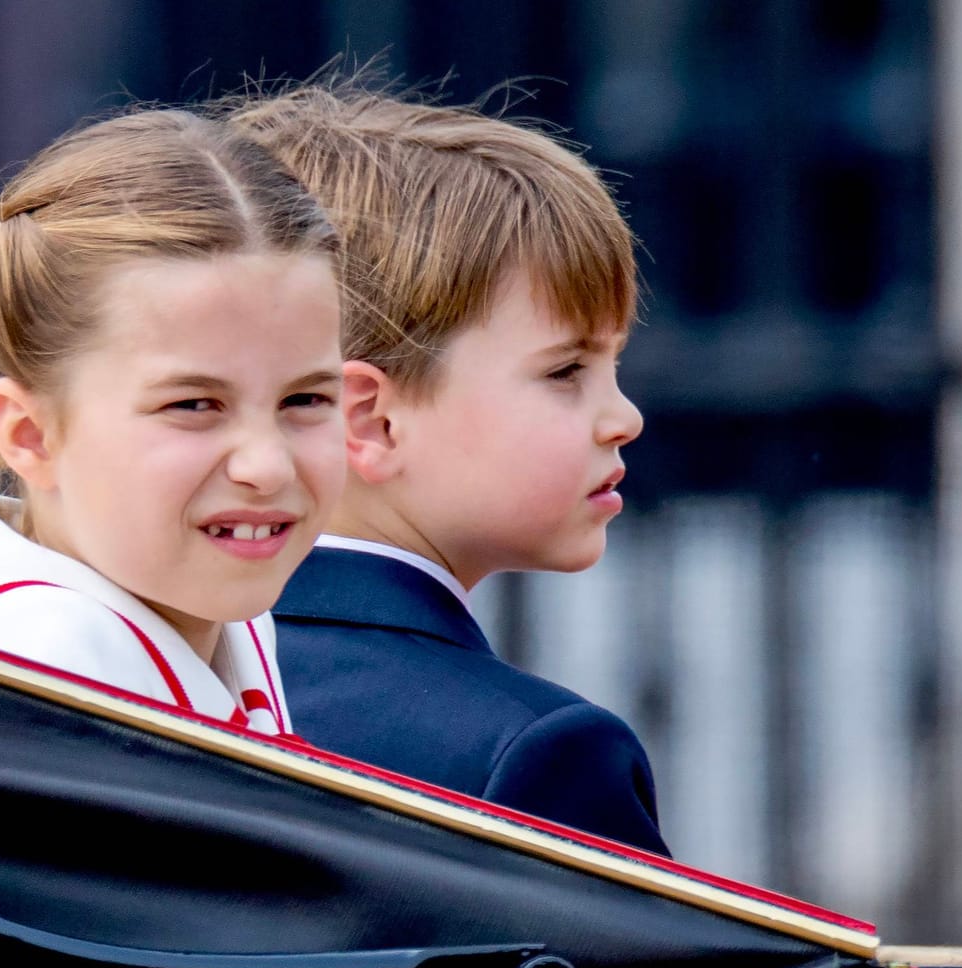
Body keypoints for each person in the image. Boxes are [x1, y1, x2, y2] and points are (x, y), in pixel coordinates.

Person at [226, 86, 668, 853]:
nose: (622, 418)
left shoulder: (129, 690)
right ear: (370, 419)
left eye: (613, 366)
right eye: (566, 370)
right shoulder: (536, 758)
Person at [0, 110, 346, 734]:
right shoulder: (38, 674)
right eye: (192, 406)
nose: (266, 466)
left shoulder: (209, 613)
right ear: (29, 433)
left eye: (306, 400)